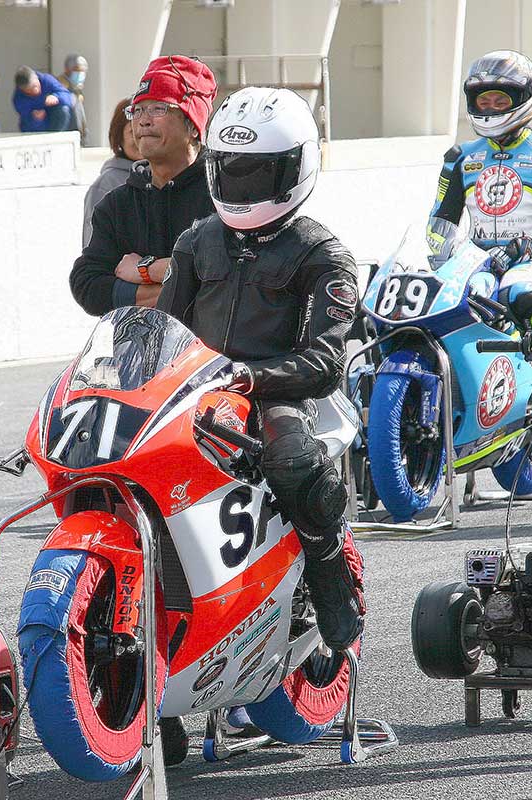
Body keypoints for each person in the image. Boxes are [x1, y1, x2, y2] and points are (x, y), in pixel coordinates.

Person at [159, 84, 366, 762]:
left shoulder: (322, 253)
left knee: (294, 460)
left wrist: (249, 377)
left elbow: (325, 360)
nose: (243, 184)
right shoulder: (196, 241)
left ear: (297, 167)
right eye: (233, 170)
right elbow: (159, 331)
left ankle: (329, 582)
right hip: (196, 395)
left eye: (259, 172)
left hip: (281, 394)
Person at [426, 50, 532, 333]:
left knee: (522, 296)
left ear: (523, 98)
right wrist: (451, 257)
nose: (491, 109)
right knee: (461, 299)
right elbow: (439, 223)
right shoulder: (459, 157)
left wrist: (527, 248)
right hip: (479, 262)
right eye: (484, 102)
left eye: (500, 101)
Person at [69, 55, 217, 315]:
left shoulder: (225, 196)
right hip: (138, 342)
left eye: (158, 108)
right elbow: (87, 284)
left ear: (194, 126)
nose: (143, 120)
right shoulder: (117, 204)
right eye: (137, 110)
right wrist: (167, 291)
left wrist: (144, 269)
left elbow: (230, 271)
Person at [82, 97, 142, 247]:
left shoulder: (167, 176)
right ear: (119, 137)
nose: (141, 137)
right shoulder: (106, 185)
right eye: (132, 132)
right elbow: (93, 247)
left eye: (146, 129)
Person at [12, 66, 74, 133]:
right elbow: (27, 120)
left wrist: (56, 97)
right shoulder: (19, 100)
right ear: (22, 90)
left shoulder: (47, 80)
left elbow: (67, 96)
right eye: (29, 90)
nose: (35, 90)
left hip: (54, 120)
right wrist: (36, 119)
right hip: (34, 129)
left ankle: (57, 135)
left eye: (35, 86)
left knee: (64, 109)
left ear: (37, 78)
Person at [57, 53, 89, 145]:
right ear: (67, 70)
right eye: (77, 71)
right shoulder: (61, 89)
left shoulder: (76, 90)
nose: (81, 75)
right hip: (66, 141)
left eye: (83, 72)